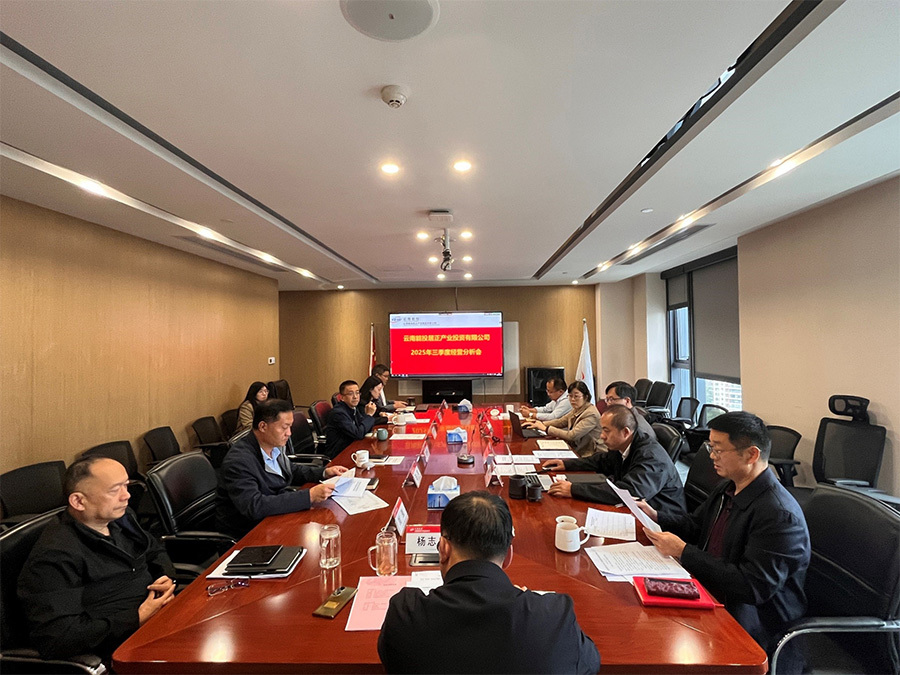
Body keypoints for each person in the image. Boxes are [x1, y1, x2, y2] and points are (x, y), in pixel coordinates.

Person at [638, 411, 810, 657]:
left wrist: (684, 552)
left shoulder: (779, 515)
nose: (712, 456)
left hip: (753, 623)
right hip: (711, 591)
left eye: (718, 450)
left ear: (751, 454)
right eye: (711, 448)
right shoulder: (728, 487)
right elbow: (696, 525)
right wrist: (657, 516)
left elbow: (751, 587)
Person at [378, 491, 600, 674]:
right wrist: (532, 602)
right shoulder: (553, 616)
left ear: (443, 548)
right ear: (509, 555)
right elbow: (590, 662)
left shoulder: (405, 614)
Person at [17, 457, 176, 661]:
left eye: (126, 485)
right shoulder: (55, 555)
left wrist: (165, 577)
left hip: (159, 620)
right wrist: (138, 617)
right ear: (78, 501)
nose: (126, 496)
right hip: (122, 649)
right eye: (115, 490)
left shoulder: (121, 518)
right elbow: (59, 637)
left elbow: (154, 550)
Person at [215, 398, 348, 538]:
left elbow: (291, 470)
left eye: (290, 427)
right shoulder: (239, 461)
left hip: (275, 518)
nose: (289, 433)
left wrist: (324, 472)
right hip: (249, 532)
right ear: (263, 426)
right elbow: (255, 506)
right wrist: (309, 496)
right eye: (284, 427)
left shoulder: (274, 446)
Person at [542, 404, 686, 514]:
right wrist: (567, 464)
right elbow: (601, 461)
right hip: (636, 510)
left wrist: (574, 490)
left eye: (606, 431)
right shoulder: (624, 443)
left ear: (625, 432)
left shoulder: (652, 457)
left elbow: (628, 493)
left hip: (662, 519)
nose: (601, 436)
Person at [522, 381, 602, 456]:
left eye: (576, 396)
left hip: (590, 454)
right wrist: (538, 424)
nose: (572, 399)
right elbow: (561, 421)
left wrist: (546, 429)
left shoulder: (591, 414)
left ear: (586, 397)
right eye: (570, 396)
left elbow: (572, 435)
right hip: (576, 448)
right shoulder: (577, 409)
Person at [323, 379, 379, 458]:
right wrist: (369, 415)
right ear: (342, 397)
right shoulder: (339, 413)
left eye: (357, 393)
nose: (355, 397)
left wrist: (366, 415)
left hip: (352, 448)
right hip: (339, 454)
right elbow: (358, 434)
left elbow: (361, 427)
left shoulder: (352, 408)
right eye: (350, 394)